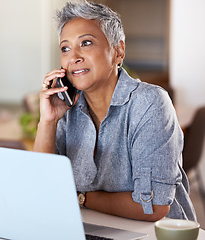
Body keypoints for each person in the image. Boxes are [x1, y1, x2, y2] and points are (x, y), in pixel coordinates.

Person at [34, 0, 196, 222]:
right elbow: (42, 189)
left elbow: (153, 207)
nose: (73, 57)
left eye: (86, 43)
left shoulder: (149, 103)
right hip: (89, 228)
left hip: (155, 233)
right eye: (65, 48)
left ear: (118, 51)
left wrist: (80, 198)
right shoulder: (68, 108)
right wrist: (48, 121)